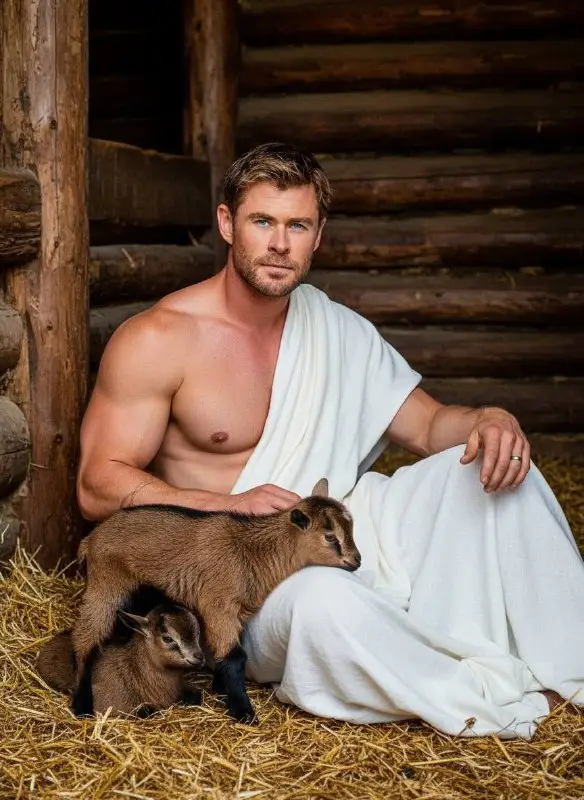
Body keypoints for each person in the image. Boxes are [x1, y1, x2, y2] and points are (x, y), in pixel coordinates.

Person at [77, 142, 584, 739]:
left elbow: (427, 426)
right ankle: (480, 697)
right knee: (325, 606)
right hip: (245, 582)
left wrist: (489, 418)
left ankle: (569, 669)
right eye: (262, 221)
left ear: (318, 236)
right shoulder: (158, 339)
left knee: (497, 472)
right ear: (225, 224)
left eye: (298, 225)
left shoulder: (336, 329)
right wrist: (227, 504)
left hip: (336, 532)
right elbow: (96, 484)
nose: (279, 243)